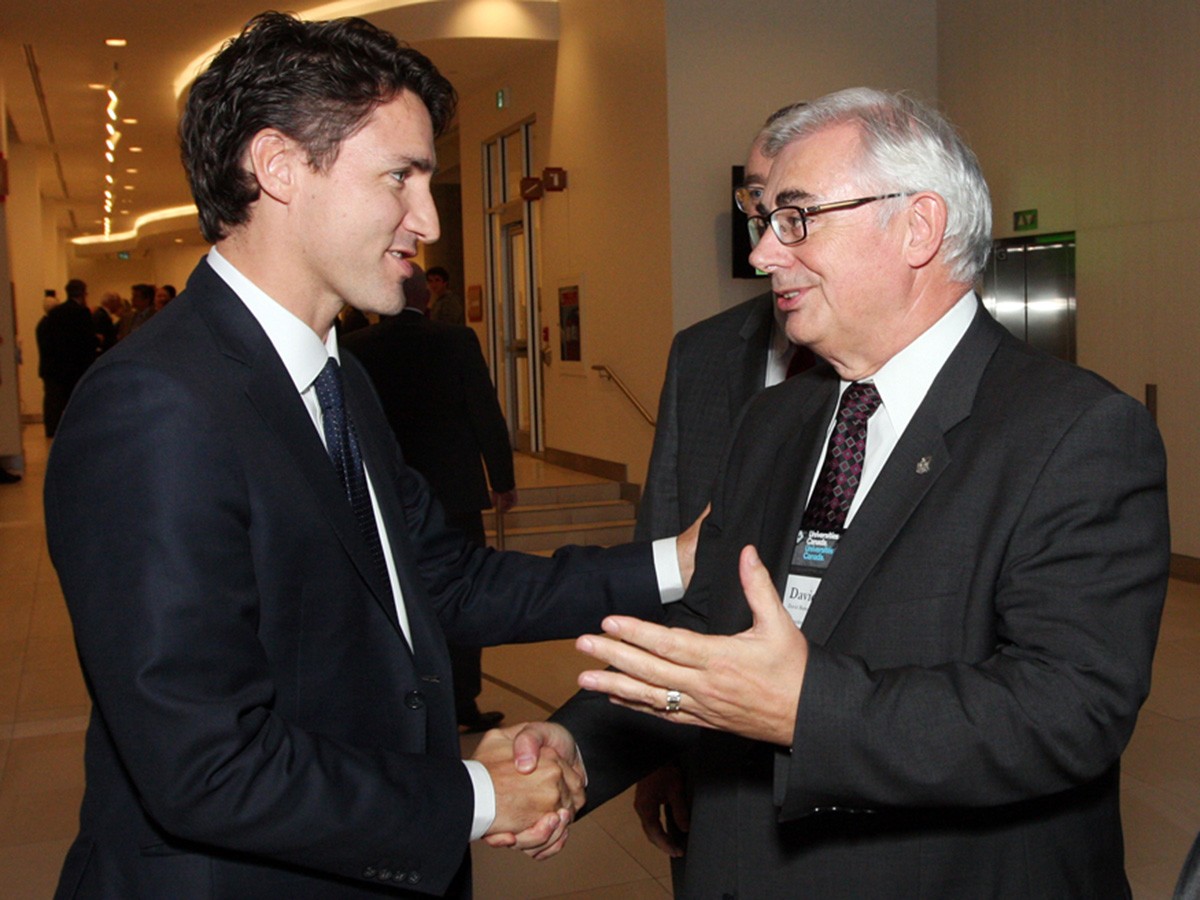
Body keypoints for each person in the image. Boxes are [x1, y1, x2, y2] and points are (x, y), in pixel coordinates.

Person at [44, 14, 698, 898]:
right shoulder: (154, 405)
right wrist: (478, 793)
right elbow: (205, 766)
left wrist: (672, 563)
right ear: (277, 168)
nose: (426, 218)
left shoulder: (336, 379)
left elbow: (443, 582)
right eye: (401, 177)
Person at [521, 87, 1169, 897]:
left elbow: (1068, 709)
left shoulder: (1075, 431)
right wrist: (579, 744)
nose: (763, 254)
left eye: (796, 217)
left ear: (918, 227)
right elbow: (710, 624)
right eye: (764, 221)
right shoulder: (774, 419)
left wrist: (807, 710)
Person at [632, 103, 820, 873]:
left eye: (793, 209)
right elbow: (665, 541)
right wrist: (657, 740)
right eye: (755, 205)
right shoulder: (705, 354)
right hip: (714, 761)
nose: (766, 237)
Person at [343, 264, 517, 734]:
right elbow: (484, 411)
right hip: (453, 490)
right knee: (465, 593)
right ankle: (463, 702)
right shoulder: (456, 341)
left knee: (394, 598)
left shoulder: (355, 348)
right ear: (427, 295)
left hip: (384, 492)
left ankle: (403, 703)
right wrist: (501, 477)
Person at [35, 279, 97, 437]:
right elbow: (87, 341)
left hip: (59, 366)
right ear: (83, 293)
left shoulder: (55, 314)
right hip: (77, 366)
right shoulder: (82, 313)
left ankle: (53, 431)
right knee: (77, 401)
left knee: (55, 402)